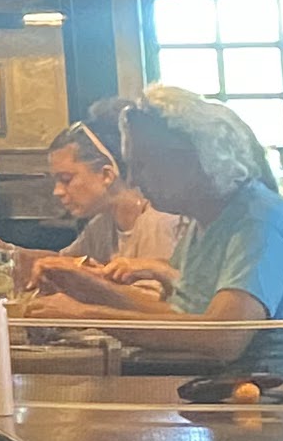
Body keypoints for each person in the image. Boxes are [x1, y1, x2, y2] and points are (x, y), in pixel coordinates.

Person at [118, 83, 283, 394]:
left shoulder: (260, 222)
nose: (133, 180)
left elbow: (223, 337)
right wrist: (86, 294)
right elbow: (184, 317)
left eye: (142, 165)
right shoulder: (207, 220)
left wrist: (84, 314)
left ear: (194, 158)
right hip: (241, 397)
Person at [13, 108, 189, 312]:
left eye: (66, 179)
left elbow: (157, 306)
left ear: (106, 175)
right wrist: (1, 250)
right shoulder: (103, 223)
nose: (57, 191)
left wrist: (85, 299)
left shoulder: (160, 221)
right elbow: (62, 263)